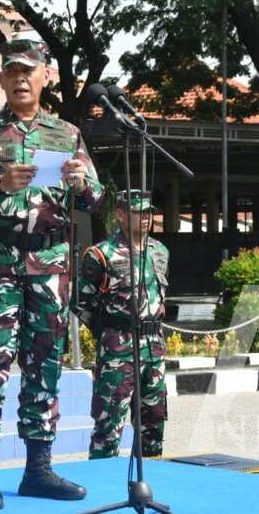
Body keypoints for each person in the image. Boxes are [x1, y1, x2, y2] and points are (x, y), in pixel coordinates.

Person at [0, 38, 104, 510]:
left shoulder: (67, 133)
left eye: (29, 71)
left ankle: (38, 470)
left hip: (50, 262)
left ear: (45, 78)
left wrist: (83, 183)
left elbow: (97, 196)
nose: (20, 78)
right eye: (12, 71)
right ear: (1, 79)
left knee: (45, 362)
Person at [73, 190, 169, 460]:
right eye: (139, 212)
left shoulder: (160, 251)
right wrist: (111, 333)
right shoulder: (101, 254)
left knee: (154, 421)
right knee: (109, 423)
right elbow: (81, 303)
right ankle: (104, 484)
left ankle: (152, 479)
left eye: (149, 212)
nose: (146, 218)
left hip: (154, 348)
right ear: (121, 214)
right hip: (118, 349)